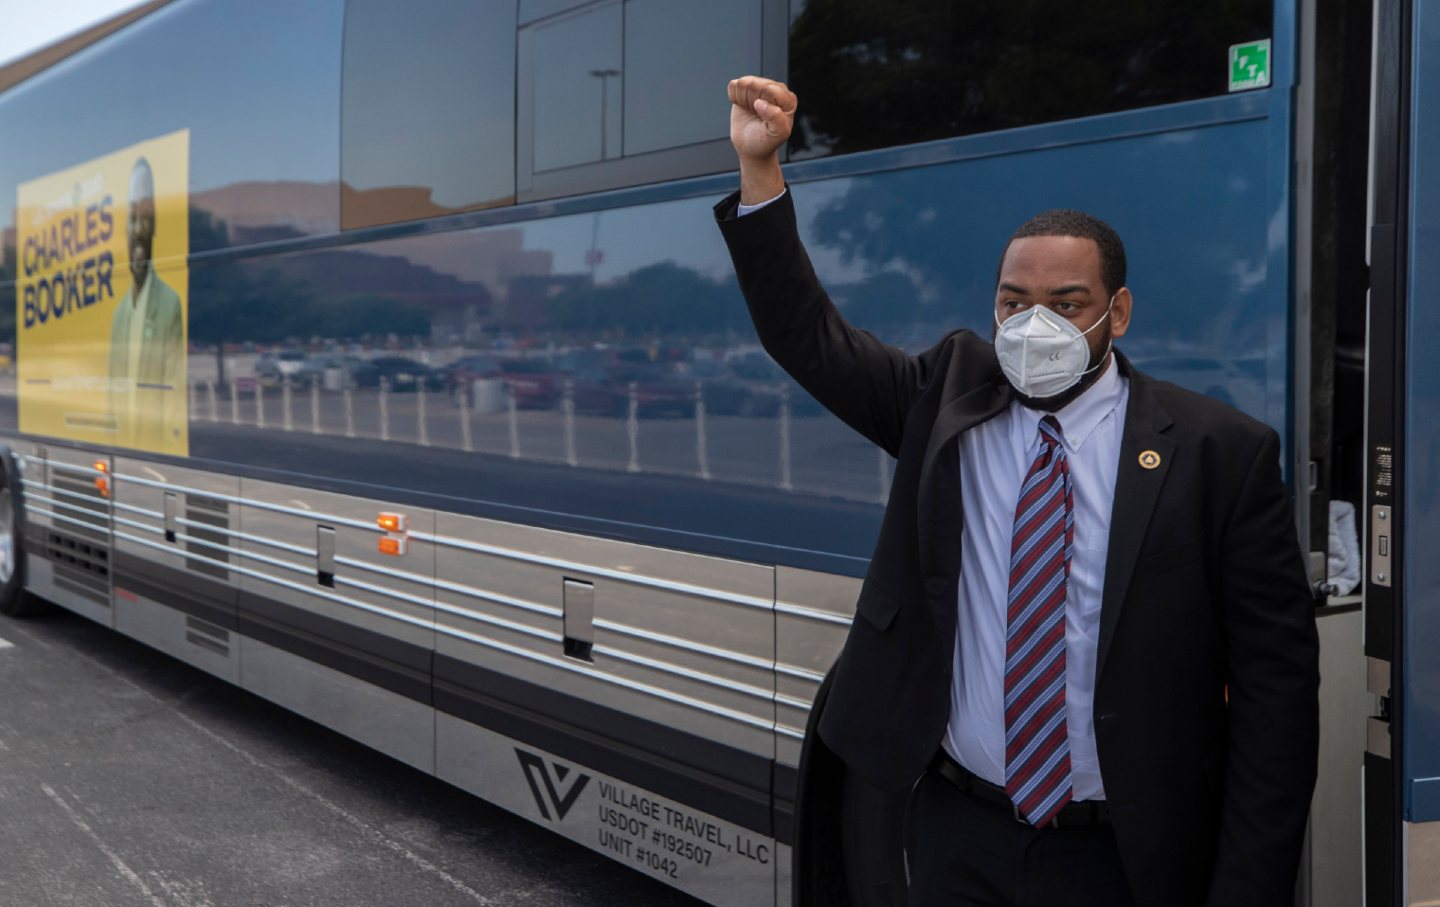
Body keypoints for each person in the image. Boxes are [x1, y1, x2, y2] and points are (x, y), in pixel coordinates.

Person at [715, 76, 1320, 907]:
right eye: (1014, 301)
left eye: (1066, 304)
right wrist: (762, 174)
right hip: (961, 830)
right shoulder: (944, 400)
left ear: (1119, 313)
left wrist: (1248, 887)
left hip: (1124, 853)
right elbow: (805, 335)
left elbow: (1275, 695)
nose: (1034, 325)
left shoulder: (1220, 452)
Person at [108, 156, 185, 452]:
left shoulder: (169, 305)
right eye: (132, 218)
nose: (138, 229)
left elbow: (174, 398)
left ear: (154, 227)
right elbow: (112, 400)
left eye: (146, 218)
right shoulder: (118, 315)